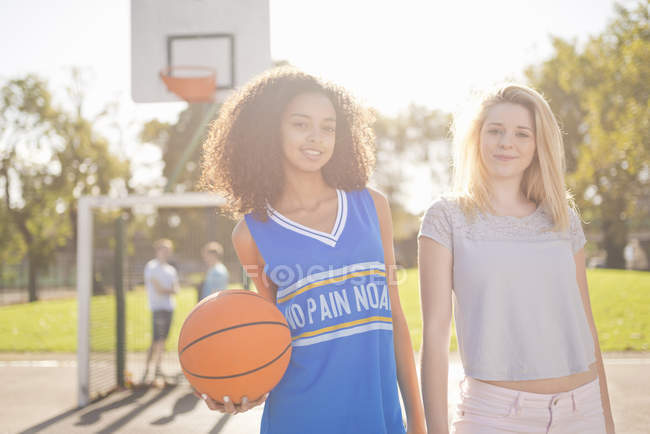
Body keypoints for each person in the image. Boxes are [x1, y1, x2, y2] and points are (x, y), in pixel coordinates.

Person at [198, 67, 426, 434]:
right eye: (300, 124)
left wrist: (418, 421)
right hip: (300, 418)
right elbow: (270, 337)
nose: (316, 138)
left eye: (328, 127)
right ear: (270, 130)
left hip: (378, 418)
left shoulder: (372, 207)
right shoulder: (251, 234)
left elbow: (396, 320)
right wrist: (241, 388)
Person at [418, 84, 615, 433]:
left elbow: (587, 322)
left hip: (582, 411)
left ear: (539, 144)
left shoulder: (562, 218)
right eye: (495, 131)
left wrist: (606, 419)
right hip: (494, 416)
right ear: (476, 139)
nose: (506, 142)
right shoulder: (446, 217)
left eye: (522, 133)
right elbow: (435, 335)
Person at [142, 238, 180, 384]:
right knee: (155, 340)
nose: (166, 252)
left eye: (168, 249)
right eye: (163, 249)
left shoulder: (170, 270)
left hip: (169, 308)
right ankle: (147, 368)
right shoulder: (151, 267)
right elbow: (158, 289)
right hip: (157, 308)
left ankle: (158, 367)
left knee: (163, 340)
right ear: (157, 250)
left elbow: (176, 289)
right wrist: (168, 290)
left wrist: (168, 290)